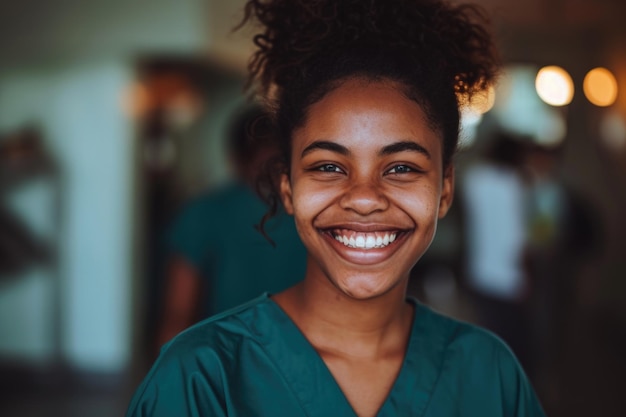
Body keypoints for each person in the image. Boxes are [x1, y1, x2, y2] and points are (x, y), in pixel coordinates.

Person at [126, 0, 546, 415]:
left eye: (400, 167)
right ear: (287, 187)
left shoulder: (489, 374)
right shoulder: (199, 378)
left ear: (445, 189)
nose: (364, 197)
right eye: (328, 166)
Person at [156, 103, 307, 347]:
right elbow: (178, 314)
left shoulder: (203, 212)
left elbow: (177, 314)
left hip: (230, 356)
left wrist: (171, 377)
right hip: (291, 355)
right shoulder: (316, 211)